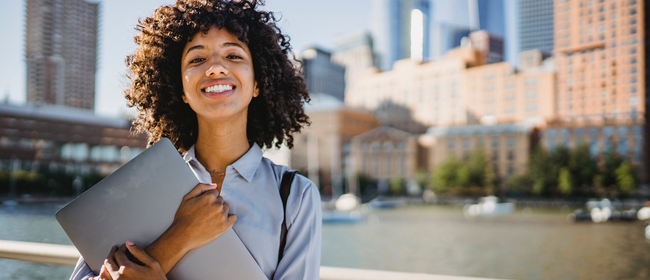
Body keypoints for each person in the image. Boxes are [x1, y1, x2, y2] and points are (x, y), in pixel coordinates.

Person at [69, 0, 321, 279]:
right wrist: (180, 235)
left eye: (234, 56)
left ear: (258, 83)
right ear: (182, 91)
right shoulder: (137, 186)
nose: (215, 68)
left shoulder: (295, 196)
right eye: (197, 59)